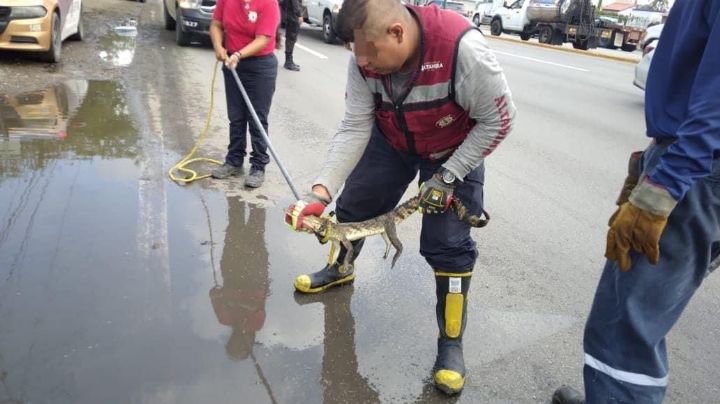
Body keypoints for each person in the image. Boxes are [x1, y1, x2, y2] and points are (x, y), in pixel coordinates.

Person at [285, 0, 516, 395]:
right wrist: (319, 193)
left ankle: (451, 344)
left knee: (448, 247)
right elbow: (356, 125)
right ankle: (340, 269)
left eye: (372, 59)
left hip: (453, 149)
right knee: (354, 206)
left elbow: (501, 119)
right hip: (391, 140)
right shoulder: (364, 55)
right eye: (361, 61)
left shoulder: (462, 49)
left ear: (397, 32)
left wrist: (448, 176)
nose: (367, 68)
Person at [553, 0, 720, 402]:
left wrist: (665, 183)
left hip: (696, 171)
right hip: (691, 161)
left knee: (624, 333)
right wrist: (654, 156)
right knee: (644, 315)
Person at [210, 0, 280, 188]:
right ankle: (234, 161)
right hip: (232, 64)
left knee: (257, 118)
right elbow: (216, 24)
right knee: (236, 116)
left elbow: (264, 38)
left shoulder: (267, 3)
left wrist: (239, 55)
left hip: (260, 66)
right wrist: (218, 47)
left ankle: (258, 166)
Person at [281, 0, 303, 71]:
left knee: (291, 38)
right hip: (292, 16)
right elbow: (295, 3)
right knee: (291, 38)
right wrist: (299, 15)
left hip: (289, 14)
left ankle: (289, 60)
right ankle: (288, 62)